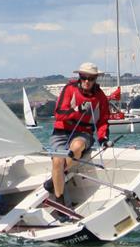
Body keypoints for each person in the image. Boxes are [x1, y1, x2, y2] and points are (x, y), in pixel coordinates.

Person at [45, 62, 110, 219]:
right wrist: (76, 110)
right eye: (83, 77)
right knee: (57, 161)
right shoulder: (69, 89)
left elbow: (103, 120)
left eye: (91, 78)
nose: (87, 81)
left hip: (83, 133)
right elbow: (59, 113)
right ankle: (60, 203)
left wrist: (103, 138)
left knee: (77, 147)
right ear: (79, 77)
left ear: (95, 79)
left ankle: (55, 179)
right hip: (61, 131)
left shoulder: (100, 96)